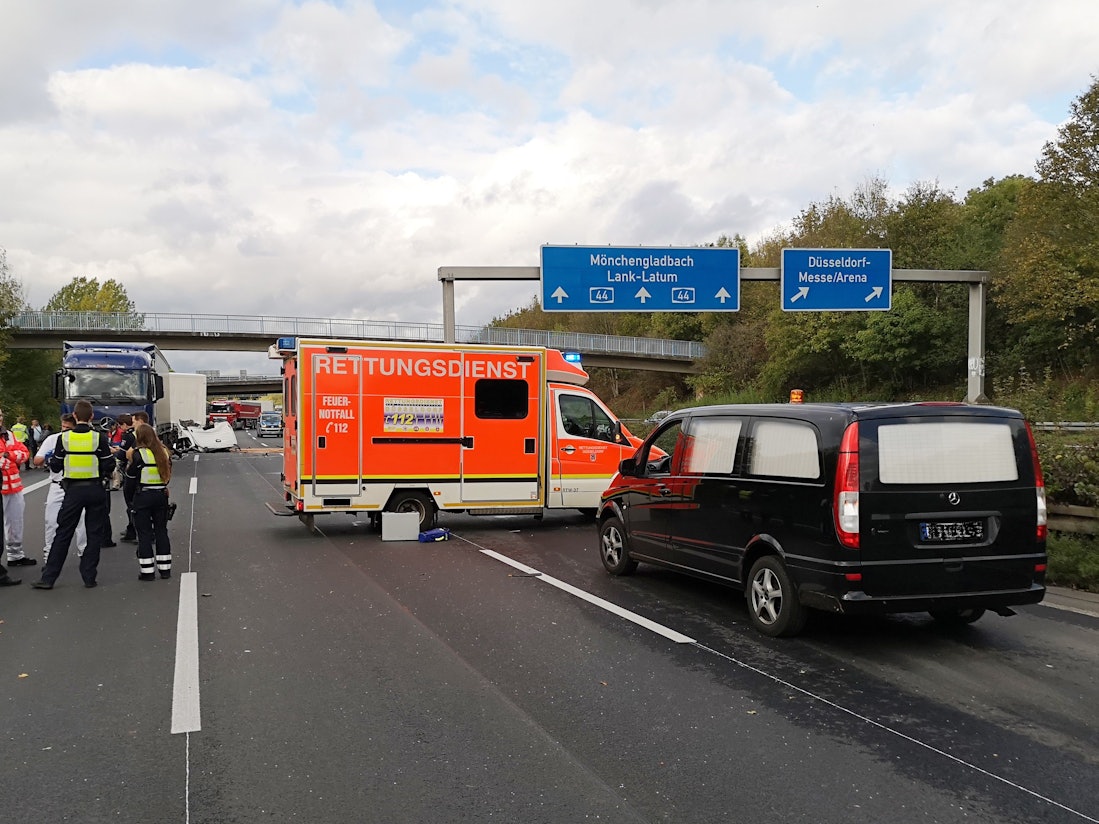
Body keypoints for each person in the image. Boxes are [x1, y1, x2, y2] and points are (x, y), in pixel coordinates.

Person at [32, 399, 114, 590]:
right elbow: (109, 464)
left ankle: (49, 578)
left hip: (72, 490)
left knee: (63, 532)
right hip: (95, 489)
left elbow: (56, 464)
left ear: (75, 416)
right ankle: (89, 577)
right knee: (93, 534)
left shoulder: (64, 439)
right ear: (91, 417)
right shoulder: (98, 438)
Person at [33, 414, 88, 564]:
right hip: (57, 486)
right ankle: (49, 554)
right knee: (51, 521)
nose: (64, 430)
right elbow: (36, 461)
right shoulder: (53, 439)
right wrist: (47, 455)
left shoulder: (83, 440)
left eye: (68, 428)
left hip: (77, 485)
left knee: (82, 521)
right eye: (62, 427)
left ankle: (84, 552)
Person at [126, 423, 172, 580]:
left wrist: (130, 501)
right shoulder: (164, 453)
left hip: (143, 496)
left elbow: (130, 480)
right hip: (161, 496)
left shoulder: (139, 454)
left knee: (144, 534)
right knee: (161, 531)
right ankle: (165, 569)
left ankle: (147, 572)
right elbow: (167, 474)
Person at [0, 408, 34, 568]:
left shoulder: (9, 434)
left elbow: (24, 453)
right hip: (1, 488)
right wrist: (9, 457)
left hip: (14, 487)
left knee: (16, 522)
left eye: (0, 414)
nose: (0, 418)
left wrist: (9, 456)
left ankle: (15, 556)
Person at [118, 412, 142, 542]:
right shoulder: (147, 435)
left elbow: (122, 456)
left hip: (131, 471)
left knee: (131, 504)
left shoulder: (128, 436)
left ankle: (134, 531)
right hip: (145, 474)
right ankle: (133, 529)